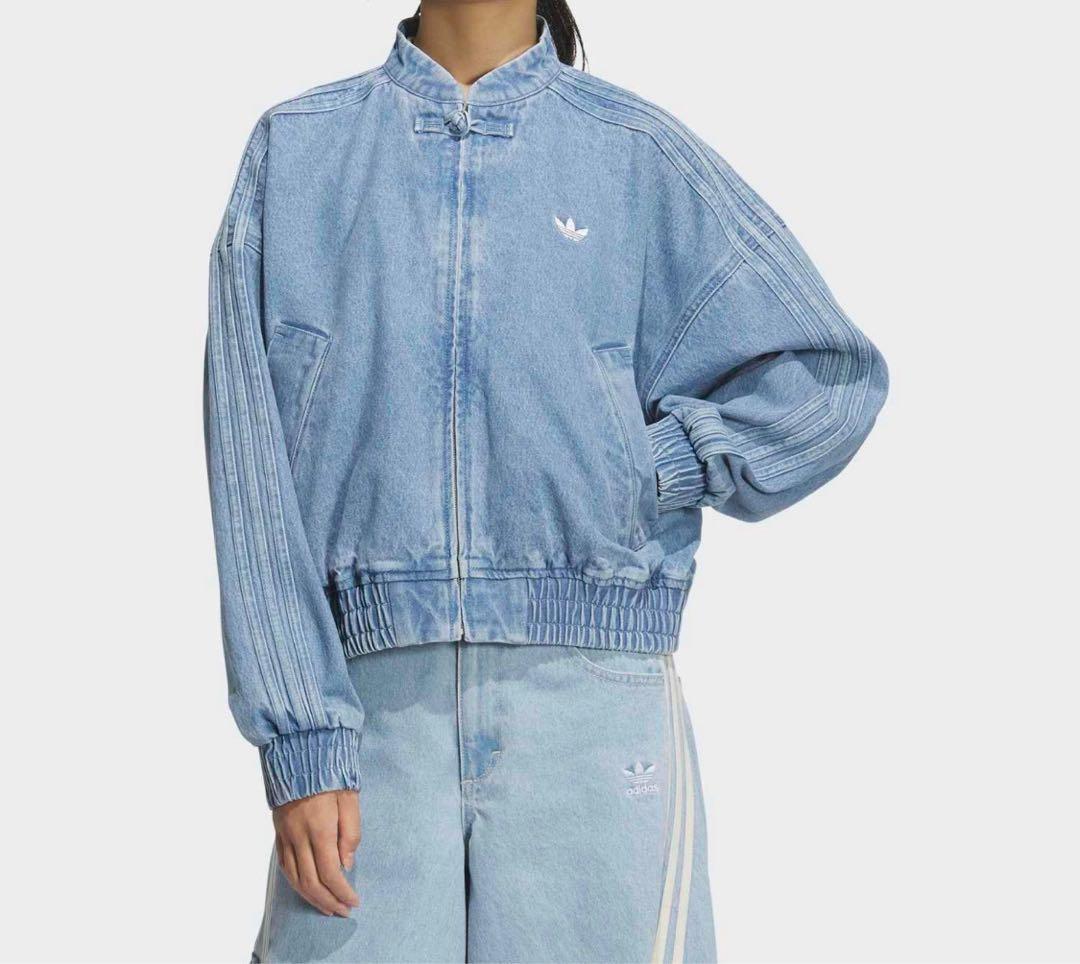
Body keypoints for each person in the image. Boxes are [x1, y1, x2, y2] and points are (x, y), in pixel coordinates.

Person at [205, 1, 888, 960]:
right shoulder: (299, 151)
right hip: (365, 722)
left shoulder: (633, 154)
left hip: (591, 713)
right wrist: (301, 736)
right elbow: (248, 468)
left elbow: (828, 377)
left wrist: (645, 467)